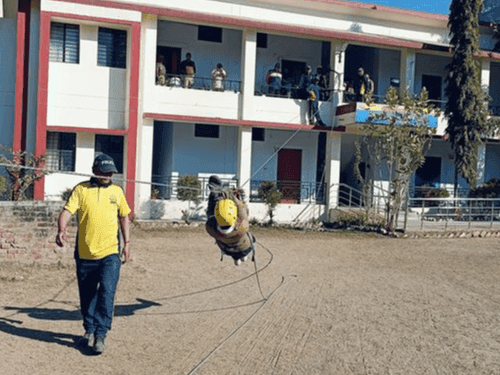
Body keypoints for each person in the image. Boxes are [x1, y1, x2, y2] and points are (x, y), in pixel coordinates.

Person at [55, 154, 131, 354]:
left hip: (110, 254)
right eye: (104, 172)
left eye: (111, 172)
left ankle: (101, 334)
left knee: (107, 291)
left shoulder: (117, 191)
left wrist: (127, 243)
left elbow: (124, 217)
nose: (108, 175)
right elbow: (66, 211)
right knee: (87, 295)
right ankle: (88, 330)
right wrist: (61, 229)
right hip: (85, 254)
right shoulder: (81, 190)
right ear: (95, 171)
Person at [205, 175, 255, 266]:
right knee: (244, 253)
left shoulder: (212, 230)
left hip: (227, 249)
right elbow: (242, 209)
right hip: (245, 247)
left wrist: (215, 196)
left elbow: (210, 214)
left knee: (236, 253)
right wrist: (233, 196)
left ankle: (238, 259)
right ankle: (242, 258)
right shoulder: (242, 228)